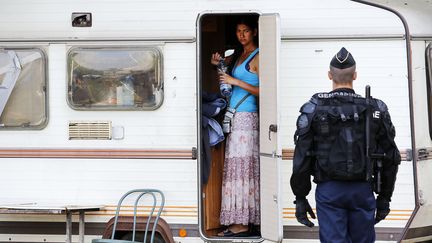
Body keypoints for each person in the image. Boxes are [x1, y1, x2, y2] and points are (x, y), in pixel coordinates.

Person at [290, 47, 401, 243]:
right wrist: (384, 198)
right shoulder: (375, 108)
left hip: (329, 191)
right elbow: (391, 157)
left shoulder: (315, 107)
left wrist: (300, 196)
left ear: (329, 75)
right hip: (363, 190)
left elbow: (302, 156)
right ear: (355, 75)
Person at [210, 17, 260, 237]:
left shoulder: (259, 55)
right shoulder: (238, 55)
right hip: (236, 115)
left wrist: (236, 82)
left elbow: (266, 89)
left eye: (246, 31)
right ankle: (237, 220)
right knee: (235, 169)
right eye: (239, 31)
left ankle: (243, 222)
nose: (242, 35)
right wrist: (219, 67)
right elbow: (227, 82)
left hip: (247, 117)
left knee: (242, 169)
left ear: (255, 32)